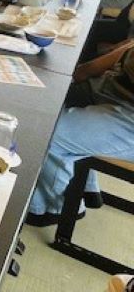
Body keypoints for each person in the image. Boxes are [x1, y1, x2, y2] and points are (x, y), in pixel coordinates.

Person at [26, 38, 134, 226]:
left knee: (48, 131)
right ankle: (84, 186)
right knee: (45, 94)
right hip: (118, 89)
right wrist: (81, 72)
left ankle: (53, 207)